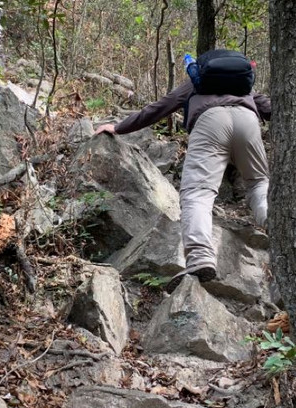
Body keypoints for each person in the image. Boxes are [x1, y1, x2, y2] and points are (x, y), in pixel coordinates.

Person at [94, 59, 270, 283]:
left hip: (211, 123)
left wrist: (119, 127)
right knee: (257, 183)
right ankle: (272, 221)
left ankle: (200, 257)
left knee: (198, 193)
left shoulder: (195, 83)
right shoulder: (246, 90)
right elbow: (274, 109)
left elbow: (160, 107)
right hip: (248, 122)